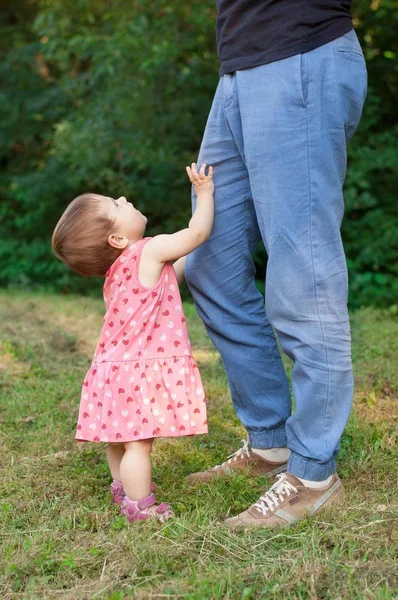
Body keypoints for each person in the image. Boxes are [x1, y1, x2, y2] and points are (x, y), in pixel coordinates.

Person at [185, 1, 367, 528]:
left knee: (302, 274)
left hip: (300, 54)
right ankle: (271, 443)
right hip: (239, 67)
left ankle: (313, 474)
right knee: (209, 265)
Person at [51, 163, 214, 523]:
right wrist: (204, 194)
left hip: (109, 370)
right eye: (116, 204)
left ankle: (121, 488)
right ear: (118, 239)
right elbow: (197, 233)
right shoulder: (149, 251)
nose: (124, 198)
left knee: (119, 438)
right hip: (137, 372)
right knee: (139, 444)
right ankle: (142, 507)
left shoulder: (116, 273)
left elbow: (174, 271)